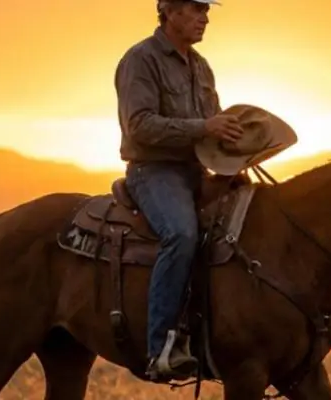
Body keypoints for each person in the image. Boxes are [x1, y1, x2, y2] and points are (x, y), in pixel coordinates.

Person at [113, 0, 244, 381]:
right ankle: (161, 348)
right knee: (182, 233)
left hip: (197, 170)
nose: (205, 18)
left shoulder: (201, 67)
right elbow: (139, 125)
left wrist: (239, 152)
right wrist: (204, 128)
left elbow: (214, 127)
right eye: (196, 9)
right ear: (168, 11)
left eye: (207, 11)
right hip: (153, 171)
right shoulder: (140, 59)